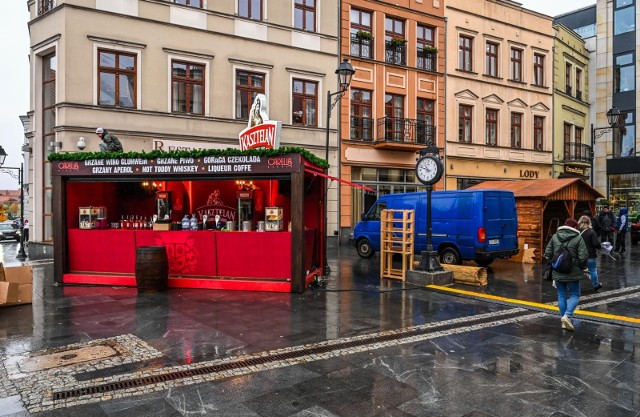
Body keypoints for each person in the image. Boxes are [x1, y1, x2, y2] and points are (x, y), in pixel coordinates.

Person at [544, 218, 588, 332]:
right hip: (573, 272)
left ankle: (564, 321)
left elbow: (547, 253)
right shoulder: (578, 238)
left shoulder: (555, 236)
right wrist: (578, 265)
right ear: (575, 228)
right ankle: (567, 316)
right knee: (575, 294)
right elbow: (583, 257)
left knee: (561, 295)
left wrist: (555, 262)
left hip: (558, 270)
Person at [578, 215, 602, 292]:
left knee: (577, 271)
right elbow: (596, 244)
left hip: (580, 255)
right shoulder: (591, 231)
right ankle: (595, 285)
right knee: (593, 270)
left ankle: (575, 287)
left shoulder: (577, 231)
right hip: (590, 254)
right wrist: (600, 247)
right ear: (589, 222)